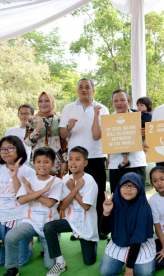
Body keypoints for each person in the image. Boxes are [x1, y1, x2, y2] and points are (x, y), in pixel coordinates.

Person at [59, 77, 109, 240]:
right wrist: (68, 127)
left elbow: (108, 135)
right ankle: (76, 228)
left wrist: (108, 156)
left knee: (99, 194)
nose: (84, 89)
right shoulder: (68, 108)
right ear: (77, 90)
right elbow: (63, 135)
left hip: (97, 156)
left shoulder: (103, 109)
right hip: (75, 160)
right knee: (75, 192)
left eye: (87, 87)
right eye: (80, 87)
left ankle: (100, 228)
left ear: (93, 90)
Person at [3, 147, 63, 276]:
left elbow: (49, 203)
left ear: (53, 164)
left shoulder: (56, 181)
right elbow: (21, 200)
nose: (42, 165)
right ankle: (12, 268)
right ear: (33, 163)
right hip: (30, 222)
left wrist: (31, 192)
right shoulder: (29, 180)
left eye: (46, 162)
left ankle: (46, 248)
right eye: (38, 161)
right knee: (10, 237)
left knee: (50, 265)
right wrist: (42, 191)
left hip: (49, 226)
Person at [43, 146, 98, 276]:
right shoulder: (66, 180)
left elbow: (86, 207)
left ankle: (91, 243)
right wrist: (74, 189)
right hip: (71, 220)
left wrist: (75, 188)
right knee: (49, 227)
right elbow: (62, 207)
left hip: (86, 223)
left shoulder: (90, 181)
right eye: (70, 159)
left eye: (77, 159)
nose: (72, 162)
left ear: (85, 163)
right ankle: (60, 261)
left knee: (88, 261)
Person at [0, 136, 35, 269]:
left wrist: (14, 176)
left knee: (20, 262)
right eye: (2, 149)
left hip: (20, 219)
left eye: (10, 148)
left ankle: (29, 245)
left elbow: (23, 198)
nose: (5, 151)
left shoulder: (28, 171)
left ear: (19, 149)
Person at [99, 172, 156, 276]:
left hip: (140, 244)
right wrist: (106, 213)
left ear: (139, 189)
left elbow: (137, 239)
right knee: (106, 271)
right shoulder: (114, 203)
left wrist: (129, 268)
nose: (128, 189)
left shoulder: (144, 208)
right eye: (125, 185)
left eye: (133, 186)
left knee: (144, 273)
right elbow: (104, 231)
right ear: (119, 186)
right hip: (119, 241)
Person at [106, 89, 147, 193]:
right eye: (115, 101)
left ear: (128, 101)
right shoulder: (108, 120)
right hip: (116, 164)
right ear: (112, 103)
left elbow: (153, 135)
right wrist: (108, 158)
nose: (119, 103)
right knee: (117, 198)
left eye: (122, 100)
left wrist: (147, 133)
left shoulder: (141, 117)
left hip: (137, 162)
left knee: (138, 197)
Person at [25, 92, 68, 178]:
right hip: (37, 165)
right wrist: (36, 130)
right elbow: (27, 142)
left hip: (55, 164)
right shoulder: (32, 120)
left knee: (54, 189)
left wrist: (65, 162)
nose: (43, 104)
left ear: (52, 102)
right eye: (40, 101)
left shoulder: (60, 119)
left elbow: (65, 143)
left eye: (46, 101)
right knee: (36, 189)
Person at [119, 96, 153, 169]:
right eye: (138, 105)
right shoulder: (139, 113)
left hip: (142, 135)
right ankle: (125, 159)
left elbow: (144, 123)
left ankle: (126, 161)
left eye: (141, 105)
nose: (139, 107)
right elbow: (133, 111)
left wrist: (135, 119)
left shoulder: (148, 114)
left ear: (148, 106)